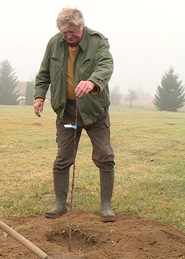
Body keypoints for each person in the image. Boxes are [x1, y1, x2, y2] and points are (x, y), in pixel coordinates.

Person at [34, 7, 116, 222]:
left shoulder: (98, 41)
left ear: (81, 25)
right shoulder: (54, 43)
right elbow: (44, 73)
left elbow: (106, 65)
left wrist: (92, 82)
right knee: (63, 158)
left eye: (71, 32)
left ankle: (106, 206)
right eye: (64, 33)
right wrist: (39, 97)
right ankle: (60, 204)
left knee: (105, 156)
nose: (68, 36)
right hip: (68, 115)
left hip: (95, 113)